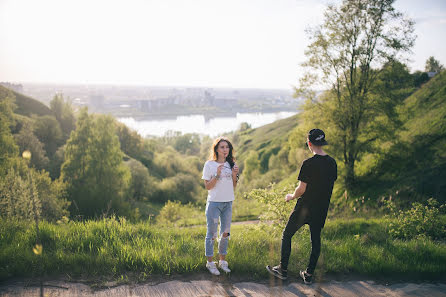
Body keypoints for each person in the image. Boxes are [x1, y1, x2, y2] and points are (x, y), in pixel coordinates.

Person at [266, 128, 337, 284]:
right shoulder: (332, 163)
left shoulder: (308, 163)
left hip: (305, 207)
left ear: (309, 143)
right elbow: (328, 185)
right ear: (322, 142)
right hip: (321, 208)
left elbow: (302, 189)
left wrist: (291, 196)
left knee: (287, 234)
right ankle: (309, 274)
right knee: (315, 240)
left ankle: (282, 270)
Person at [202, 136, 239, 275]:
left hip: (228, 202)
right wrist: (217, 174)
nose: (225, 150)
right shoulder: (209, 165)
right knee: (211, 234)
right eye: (222, 147)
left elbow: (234, 185)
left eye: (227, 147)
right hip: (214, 203)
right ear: (216, 149)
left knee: (225, 233)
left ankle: (222, 261)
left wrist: (235, 174)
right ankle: (210, 263)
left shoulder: (231, 164)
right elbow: (207, 187)